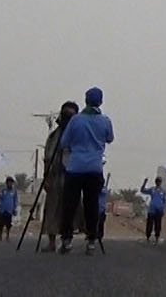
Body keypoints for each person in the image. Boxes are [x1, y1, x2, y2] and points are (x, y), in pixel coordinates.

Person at [58, 87, 113, 254]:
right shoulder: (105, 121)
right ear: (100, 101)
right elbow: (110, 138)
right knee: (92, 205)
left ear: (86, 100)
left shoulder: (76, 120)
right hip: (94, 168)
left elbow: (64, 143)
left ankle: (67, 239)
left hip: (75, 167)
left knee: (70, 204)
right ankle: (91, 241)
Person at [40, 100, 77, 252]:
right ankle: (51, 242)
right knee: (52, 209)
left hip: (71, 177)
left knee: (69, 210)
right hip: (55, 178)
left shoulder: (76, 136)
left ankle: (66, 241)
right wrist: (46, 177)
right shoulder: (54, 136)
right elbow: (48, 157)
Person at [140, 178, 166, 243]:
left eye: (159, 181)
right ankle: (148, 237)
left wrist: (163, 210)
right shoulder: (152, 189)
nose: (158, 182)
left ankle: (157, 237)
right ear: (155, 182)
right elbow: (142, 190)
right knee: (149, 224)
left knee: (158, 225)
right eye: (157, 181)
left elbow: (164, 201)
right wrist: (144, 183)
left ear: (161, 182)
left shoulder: (163, 191)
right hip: (152, 210)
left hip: (159, 210)